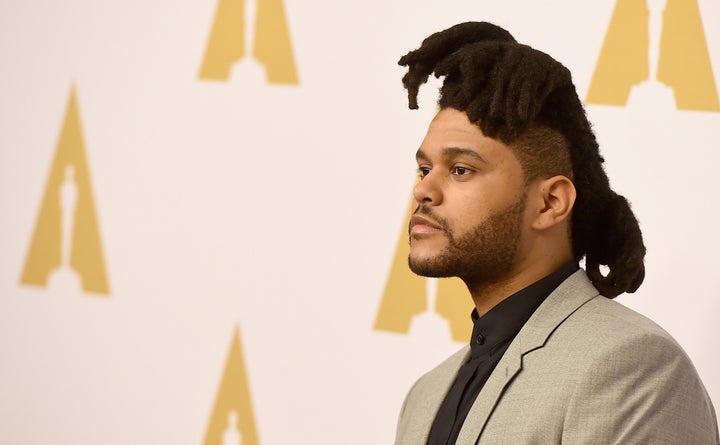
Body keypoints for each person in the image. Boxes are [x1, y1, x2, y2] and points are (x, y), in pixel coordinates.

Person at [393, 21, 719, 444]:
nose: (423, 190)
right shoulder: (424, 397)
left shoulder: (634, 367)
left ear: (550, 203)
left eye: (461, 170)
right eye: (423, 169)